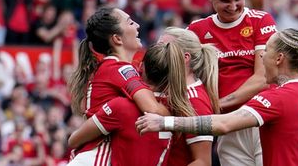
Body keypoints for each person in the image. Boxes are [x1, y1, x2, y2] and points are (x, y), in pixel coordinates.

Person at [136, 28, 298, 166]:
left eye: (267, 51)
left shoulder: (278, 98)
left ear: (279, 58)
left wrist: (165, 123)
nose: (261, 57)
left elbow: (223, 125)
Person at [68, 27, 220, 166]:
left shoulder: (194, 99)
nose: (161, 51)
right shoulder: (166, 96)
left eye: (165, 47)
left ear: (185, 58)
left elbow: (203, 162)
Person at [186, 0, 277, 165]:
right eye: (225, 0)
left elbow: (262, 78)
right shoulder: (197, 30)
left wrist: (217, 104)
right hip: (227, 127)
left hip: (261, 119)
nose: (234, 6)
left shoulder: (260, 20)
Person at [67, 7, 169, 165]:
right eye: (130, 22)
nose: (137, 25)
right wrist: (182, 112)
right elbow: (153, 110)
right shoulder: (121, 69)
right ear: (117, 39)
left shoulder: (114, 67)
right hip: (96, 157)